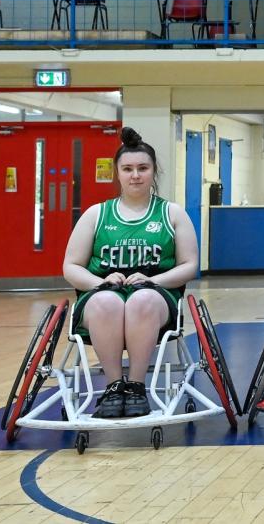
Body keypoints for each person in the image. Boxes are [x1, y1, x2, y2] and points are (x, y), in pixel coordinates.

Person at [63, 127, 199, 418]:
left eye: (142, 168)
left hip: (157, 299)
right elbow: (71, 266)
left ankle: (137, 385)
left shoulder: (172, 213)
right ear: (118, 173)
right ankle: (114, 385)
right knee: (106, 301)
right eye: (128, 169)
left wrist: (153, 280)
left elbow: (189, 265)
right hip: (103, 297)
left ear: (153, 172)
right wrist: (100, 283)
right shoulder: (96, 214)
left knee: (142, 299)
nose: (135, 175)